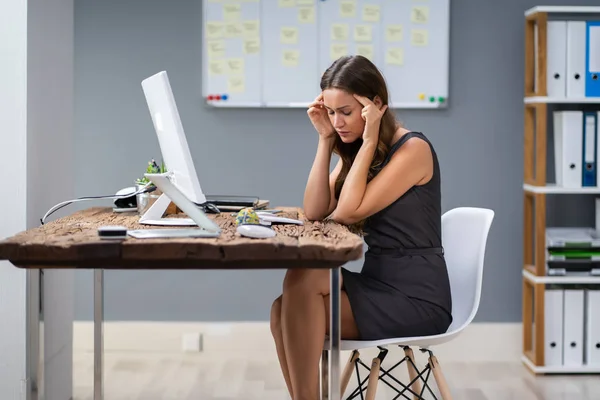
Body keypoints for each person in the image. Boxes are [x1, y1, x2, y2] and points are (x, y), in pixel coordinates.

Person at [269, 55, 453, 400]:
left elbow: (348, 212)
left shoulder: (413, 149)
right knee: (288, 297)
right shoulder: (357, 152)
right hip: (378, 283)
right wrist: (325, 141)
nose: (337, 122)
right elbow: (315, 209)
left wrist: (367, 142)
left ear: (376, 105)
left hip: (417, 297)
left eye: (346, 112)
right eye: (331, 112)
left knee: (298, 291)